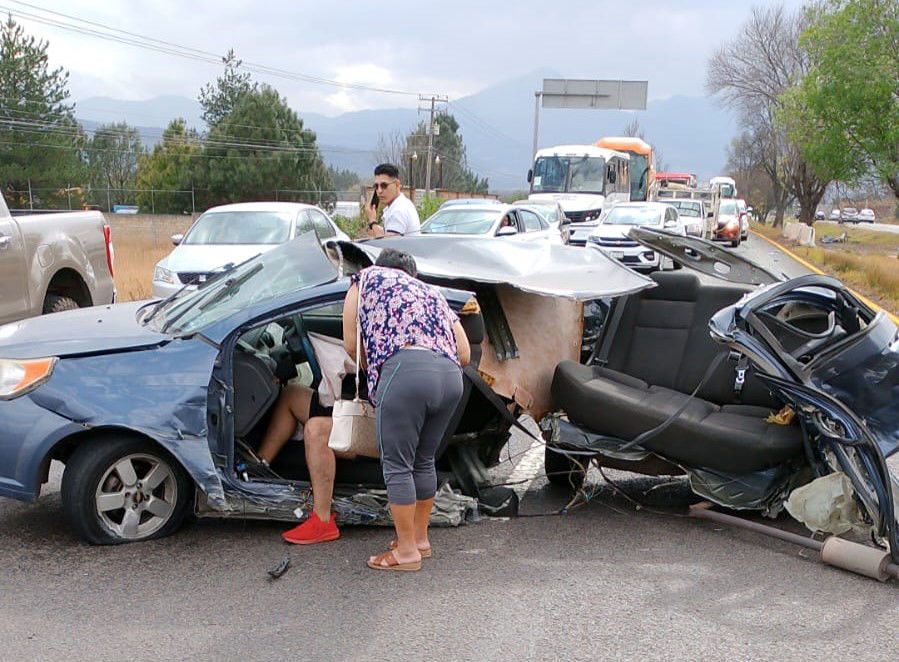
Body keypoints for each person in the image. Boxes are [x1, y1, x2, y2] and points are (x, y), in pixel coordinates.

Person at [344, 248, 470, 572]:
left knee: (397, 466)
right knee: (423, 459)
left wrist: (378, 372)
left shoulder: (365, 279)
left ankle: (406, 552)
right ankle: (419, 539)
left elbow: (350, 345)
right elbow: (465, 353)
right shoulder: (431, 292)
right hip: (450, 377)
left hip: (406, 374)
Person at [255, 384, 344, 545]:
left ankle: (323, 521)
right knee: (292, 394)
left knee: (315, 430)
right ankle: (259, 466)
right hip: (350, 403)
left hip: (372, 420)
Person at [366, 163, 421, 237]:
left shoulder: (398, 211)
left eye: (384, 185)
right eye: (376, 186)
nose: (379, 191)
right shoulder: (402, 204)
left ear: (397, 184)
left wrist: (372, 221)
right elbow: (389, 234)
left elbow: (388, 243)